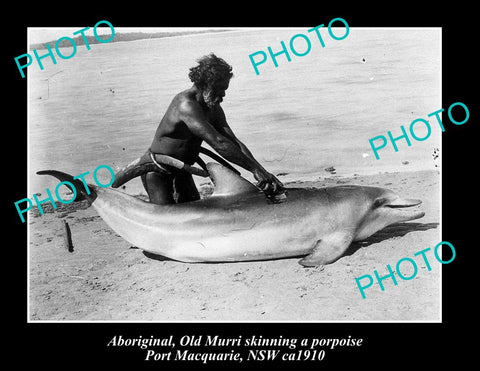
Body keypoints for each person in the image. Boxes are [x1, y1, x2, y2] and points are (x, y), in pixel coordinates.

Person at [142, 53, 284, 205]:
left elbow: (232, 141)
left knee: (193, 215)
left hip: (183, 171)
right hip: (158, 171)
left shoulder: (213, 107)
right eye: (221, 88)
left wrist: (261, 171)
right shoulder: (186, 105)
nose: (223, 94)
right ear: (207, 84)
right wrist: (255, 171)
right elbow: (219, 142)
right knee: (166, 220)